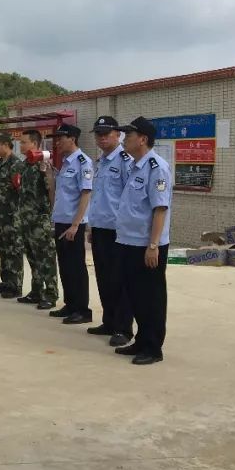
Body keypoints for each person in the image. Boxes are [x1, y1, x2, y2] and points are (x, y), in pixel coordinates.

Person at [112, 117, 172, 366]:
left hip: (147, 245)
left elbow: (160, 209)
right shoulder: (136, 165)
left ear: (143, 139)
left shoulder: (157, 167)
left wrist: (153, 245)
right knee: (135, 295)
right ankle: (141, 339)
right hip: (128, 242)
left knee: (151, 297)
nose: (125, 139)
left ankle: (153, 347)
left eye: (129, 135)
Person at [85, 117, 133, 345]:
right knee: (104, 279)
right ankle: (109, 321)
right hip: (100, 229)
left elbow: (128, 197)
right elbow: (98, 198)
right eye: (98, 134)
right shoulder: (101, 162)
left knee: (120, 280)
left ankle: (123, 329)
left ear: (118, 135)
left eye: (106, 133)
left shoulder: (126, 161)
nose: (102, 138)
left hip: (118, 231)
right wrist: (91, 226)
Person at [47, 124, 93, 324]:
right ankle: (70, 304)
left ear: (72, 138)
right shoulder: (66, 163)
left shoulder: (83, 162)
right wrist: (48, 175)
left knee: (76, 267)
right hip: (60, 220)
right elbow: (56, 193)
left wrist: (76, 225)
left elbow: (86, 193)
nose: (57, 143)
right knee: (65, 265)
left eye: (60, 138)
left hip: (73, 224)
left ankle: (82, 309)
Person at [15, 129, 59, 310]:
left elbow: (51, 190)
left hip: (40, 220)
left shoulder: (44, 165)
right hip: (26, 219)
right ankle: (36, 291)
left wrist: (46, 172)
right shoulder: (25, 165)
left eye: (25, 142)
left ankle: (50, 293)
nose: (22, 145)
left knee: (46, 258)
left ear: (34, 143)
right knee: (32, 257)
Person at [0, 132, 24, 299]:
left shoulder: (15, 164)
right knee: (3, 249)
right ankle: (6, 281)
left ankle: (15, 285)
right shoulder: (1, 163)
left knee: (13, 250)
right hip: (0, 215)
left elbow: (19, 190)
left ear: (5, 144)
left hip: (11, 215)